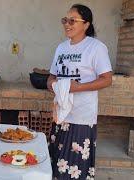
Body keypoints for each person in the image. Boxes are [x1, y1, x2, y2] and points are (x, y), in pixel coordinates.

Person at [47, 4, 112, 179]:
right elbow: (51, 78)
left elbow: (107, 79)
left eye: (72, 20)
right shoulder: (61, 48)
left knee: (75, 170)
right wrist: (55, 86)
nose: (67, 24)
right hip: (61, 115)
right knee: (56, 165)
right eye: (65, 20)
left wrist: (78, 88)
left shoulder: (96, 47)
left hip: (81, 118)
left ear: (86, 24)